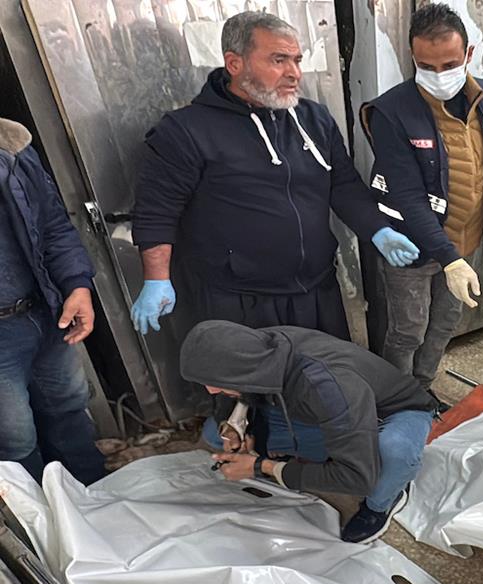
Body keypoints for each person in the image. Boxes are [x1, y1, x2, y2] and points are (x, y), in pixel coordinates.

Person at [130, 11, 419, 340]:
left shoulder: (314, 119)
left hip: (317, 291)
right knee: (258, 375)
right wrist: (156, 279)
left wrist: (379, 230)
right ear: (235, 63)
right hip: (241, 300)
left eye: (297, 60)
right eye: (279, 60)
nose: (294, 73)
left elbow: (343, 185)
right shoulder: (186, 130)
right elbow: (157, 211)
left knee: (330, 369)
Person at [360, 4, 483, 398]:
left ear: (469, 54)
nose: (438, 75)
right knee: (408, 330)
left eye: (449, 64)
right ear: (412, 56)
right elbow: (407, 197)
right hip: (410, 244)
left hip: (463, 241)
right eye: (426, 66)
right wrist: (448, 260)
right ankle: (396, 399)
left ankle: (422, 390)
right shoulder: (391, 112)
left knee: (443, 324)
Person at [180, 320, 436, 543]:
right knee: (215, 433)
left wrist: (262, 467)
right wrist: (236, 425)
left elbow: (357, 477)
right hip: (326, 410)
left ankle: (381, 504)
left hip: (394, 413)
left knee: (391, 454)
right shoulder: (259, 348)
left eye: (216, 383)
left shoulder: (327, 386)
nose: (210, 390)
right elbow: (236, 393)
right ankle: (313, 453)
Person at [0, 117, 107, 484]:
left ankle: (92, 495)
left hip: (44, 313)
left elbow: (54, 227)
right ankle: (35, 516)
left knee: (69, 409)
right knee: (14, 440)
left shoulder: (12, 145)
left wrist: (77, 286)